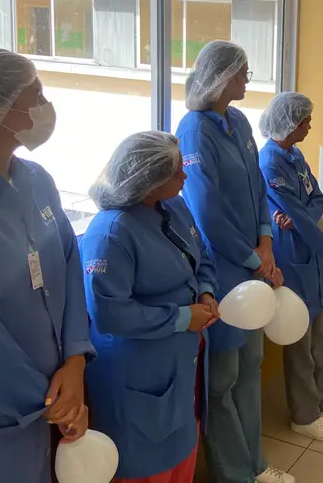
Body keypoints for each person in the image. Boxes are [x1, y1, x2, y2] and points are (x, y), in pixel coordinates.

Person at [0, 48, 94, 483]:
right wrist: (52, 402)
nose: (46, 106)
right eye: (36, 96)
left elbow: (69, 264)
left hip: (51, 403)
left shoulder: (37, 180)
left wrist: (75, 359)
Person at [175, 40, 291, 483]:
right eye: (242, 72)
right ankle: (234, 473)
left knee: (250, 368)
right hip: (223, 271)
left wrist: (266, 241)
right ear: (221, 77)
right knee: (222, 380)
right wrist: (251, 256)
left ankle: (255, 462)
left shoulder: (238, 120)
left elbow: (258, 188)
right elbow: (206, 212)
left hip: (255, 263)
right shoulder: (194, 130)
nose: (247, 79)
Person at [81, 131, 218, 482]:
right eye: (176, 172)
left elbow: (201, 254)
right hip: (137, 370)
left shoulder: (174, 206)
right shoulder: (110, 233)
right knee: (144, 464)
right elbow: (110, 314)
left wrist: (205, 292)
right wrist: (182, 318)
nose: (184, 175)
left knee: (182, 453)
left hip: (180, 361)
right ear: (149, 181)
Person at [257, 92, 323, 442]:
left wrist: (301, 217)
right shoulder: (269, 163)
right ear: (291, 124)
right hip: (290, 258)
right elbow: (298, 214)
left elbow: (317, 200)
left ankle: (322, 401)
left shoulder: (295, 155)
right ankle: (304, 413)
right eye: (306, 121)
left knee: (319, 336)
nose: (310, 126)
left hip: (309, 254)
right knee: (299, 341)